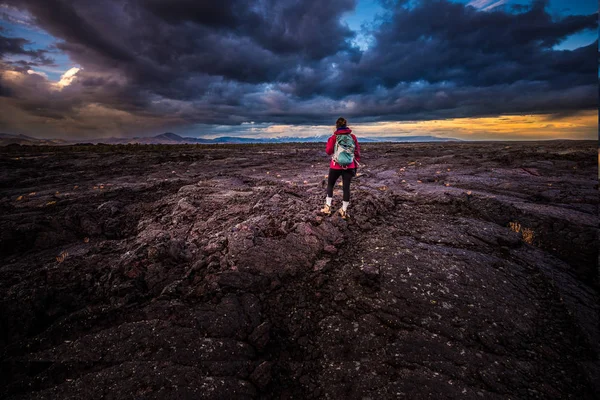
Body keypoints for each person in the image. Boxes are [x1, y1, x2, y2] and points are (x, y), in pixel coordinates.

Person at [320, 117, 360, 219]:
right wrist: (354, 166)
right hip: (349, 166)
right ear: (346, 125)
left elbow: (328, 151)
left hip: (335, 166)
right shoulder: (353, 137)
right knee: (346, 188)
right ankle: (344, 211)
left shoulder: (334, 137)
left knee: (330, 185)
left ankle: (328, 207)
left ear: (336, 126)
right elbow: (357, 152)